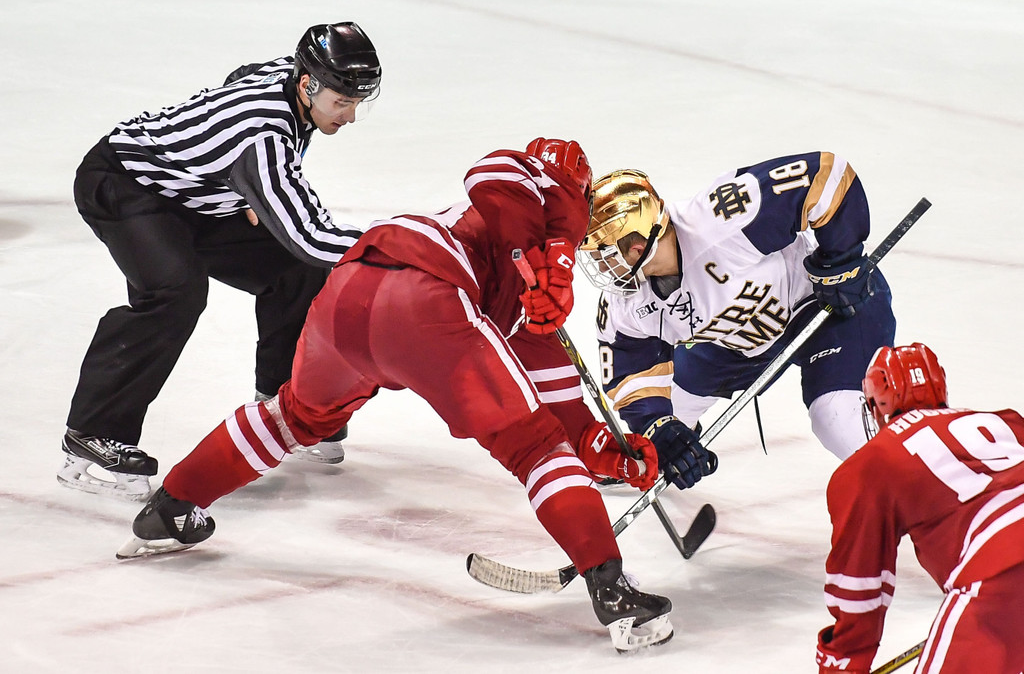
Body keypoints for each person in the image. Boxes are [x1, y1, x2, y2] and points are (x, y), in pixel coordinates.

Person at [114, 138, 688, 653]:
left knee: (296, 416)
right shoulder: (536, 199)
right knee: (532, 448)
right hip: (426, 293)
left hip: (352, 287)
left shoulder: (530, 295)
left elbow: (559, 403)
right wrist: (555, 253)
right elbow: (494, 174)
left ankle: (172, 508)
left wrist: (604, 448)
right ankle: (612, 591)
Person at [59, 22, 383, 501]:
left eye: (358, 103)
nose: (351, 116)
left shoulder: (286, 76)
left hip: (197, 199)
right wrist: (395, 251)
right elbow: (311, 236)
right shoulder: (262, 138)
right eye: (342, 102)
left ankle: (282, 407)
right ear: (307, 85)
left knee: (297, 273)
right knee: (174, 292)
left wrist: (242, 180)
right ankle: (90, 436)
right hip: (127, 184)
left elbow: (242, 75)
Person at [575, 152, 896, 489]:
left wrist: (840, 260)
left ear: (637, 246)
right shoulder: (625, 303)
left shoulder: (718, 220)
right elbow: (630, 375)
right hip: (741, 342)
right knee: (664, 422)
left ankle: (921, 477)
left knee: (835, 419)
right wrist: (661, 430)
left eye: (604, 255)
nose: (599, 269)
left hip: (828, 306)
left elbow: (826, 176)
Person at [815, 343, 1024, 673]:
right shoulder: (1009, 423)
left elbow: (860, 588)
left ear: (877, 402)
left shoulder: (871, 464)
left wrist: (844, 664)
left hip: (1001, 577)